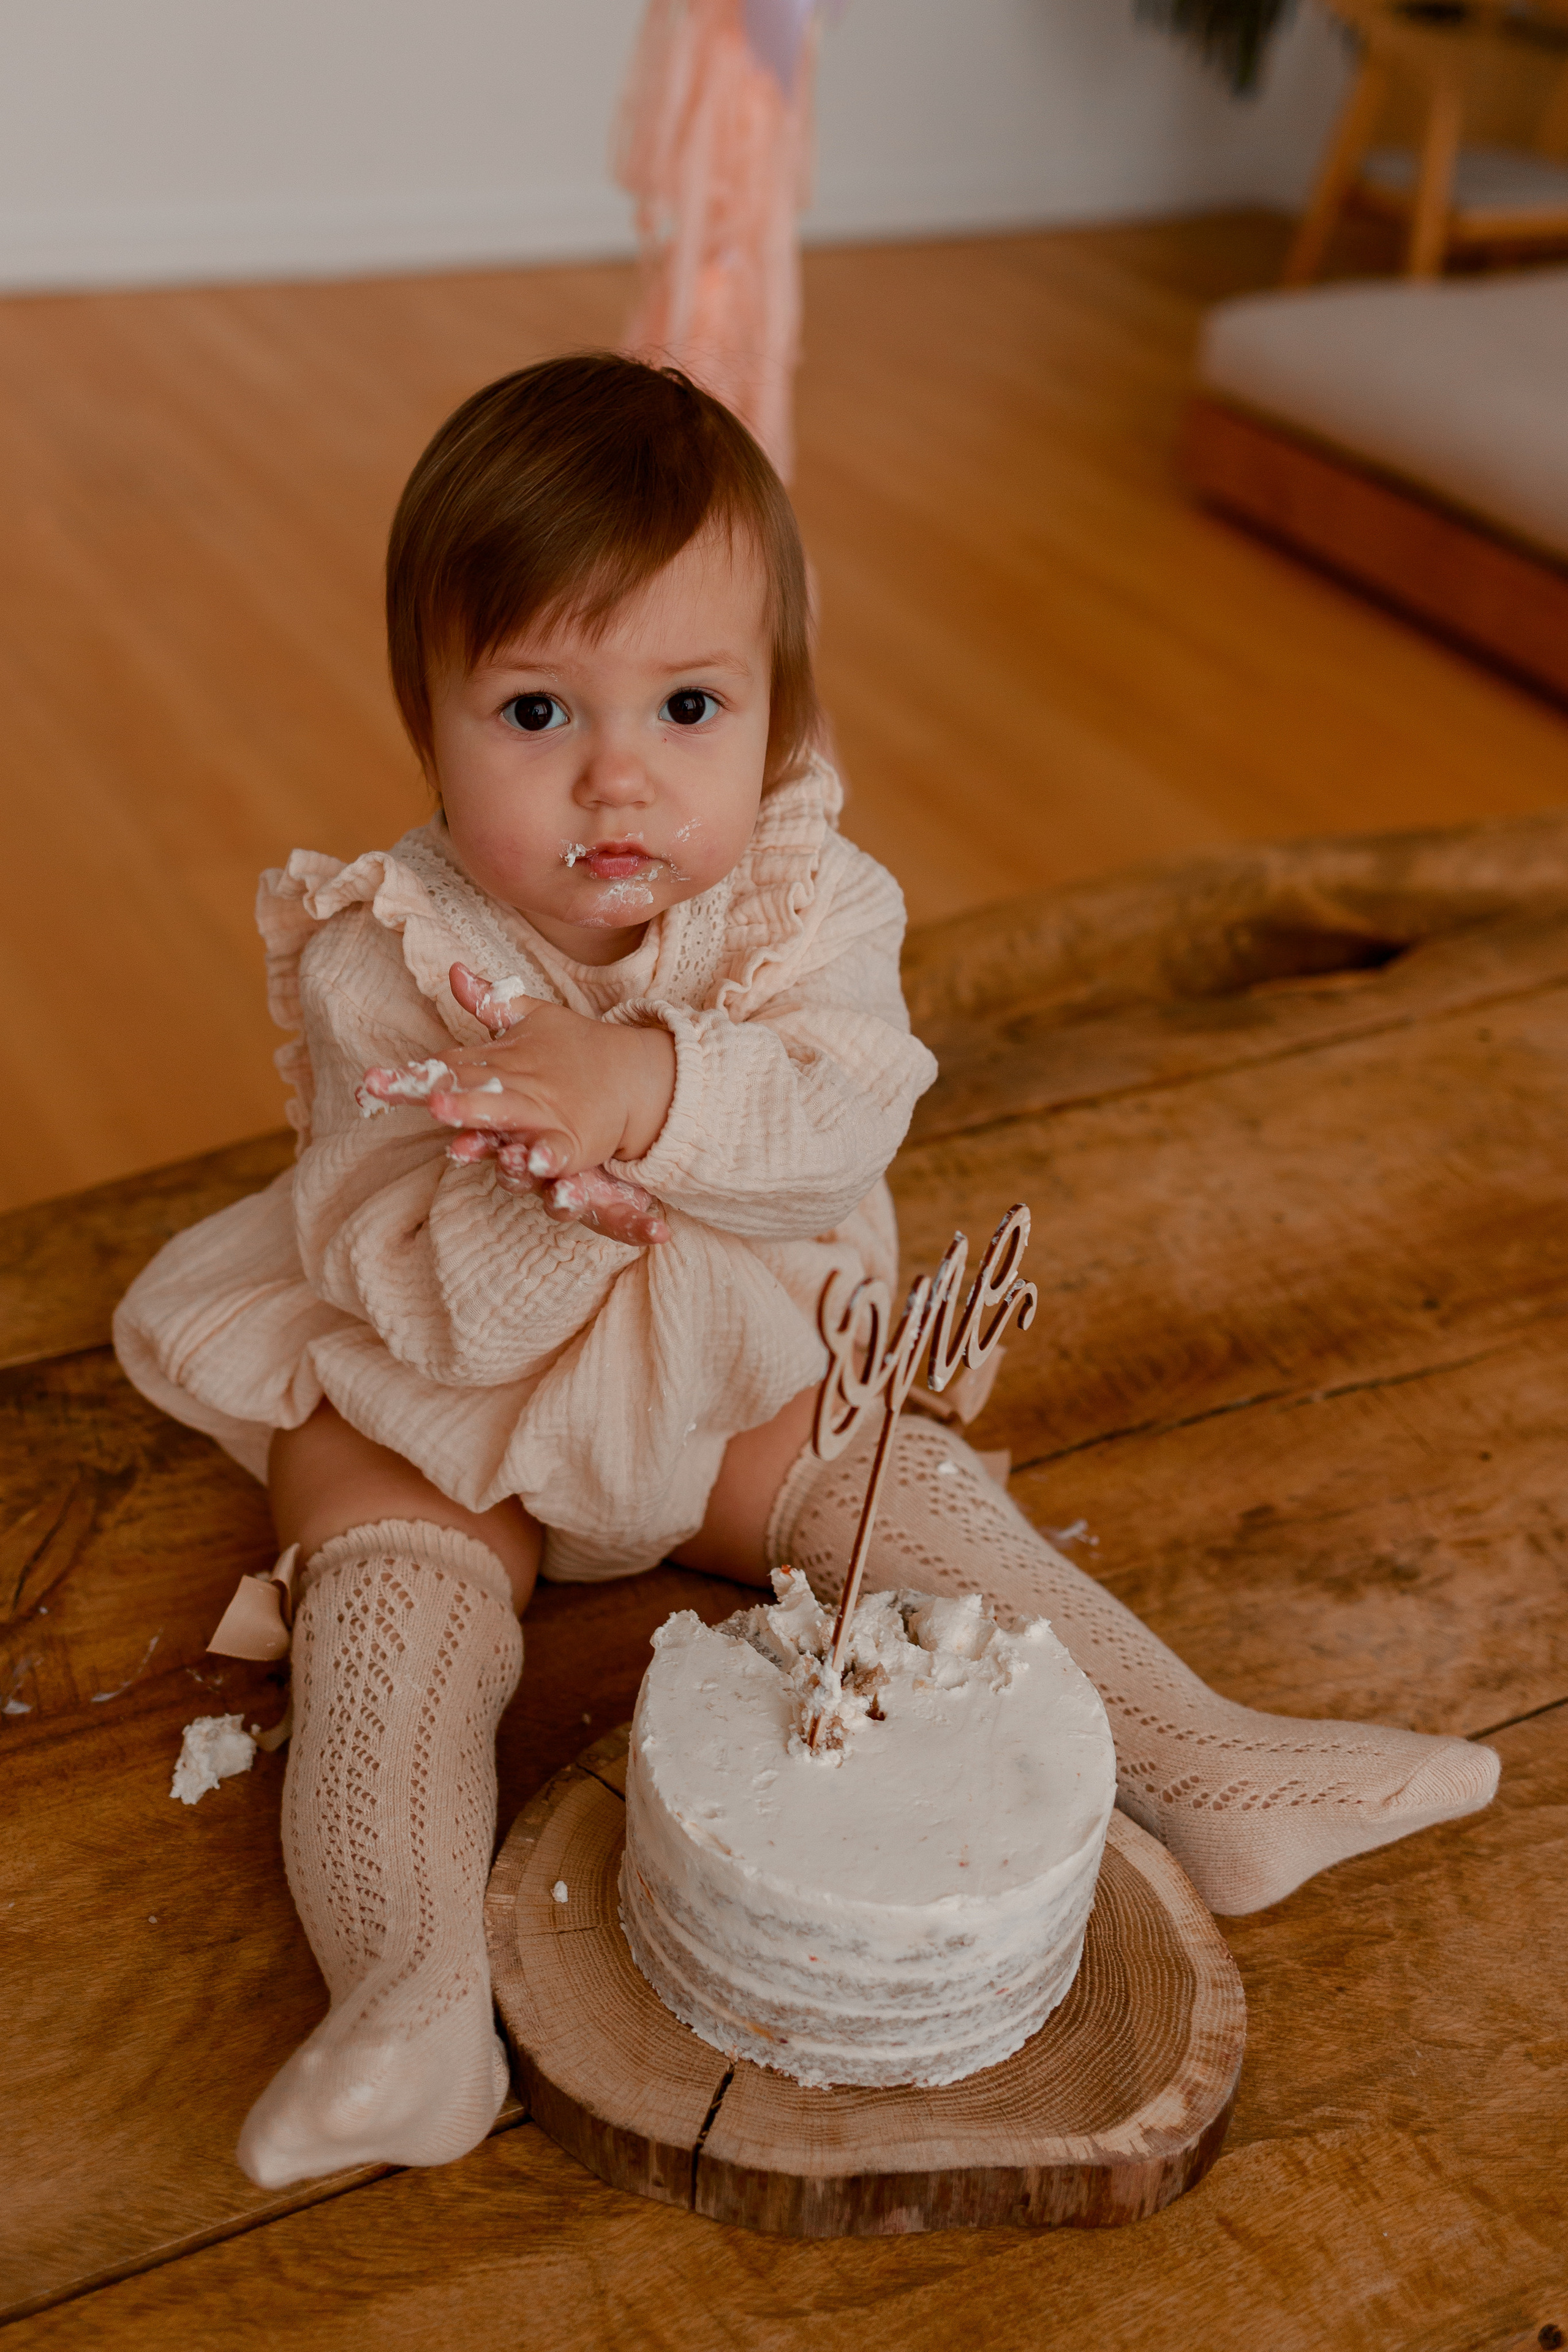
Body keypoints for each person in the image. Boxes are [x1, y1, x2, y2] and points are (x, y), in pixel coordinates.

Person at [115, 353, 1498, 2193]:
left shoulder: (802, 902)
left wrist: (644, 1088)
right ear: (426, 725)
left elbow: (846, 1108)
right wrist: (537, 1193)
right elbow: (404, 1282)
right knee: (380, 1562)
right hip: (445, 1381)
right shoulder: (391, 960)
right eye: (534, 709)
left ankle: (1209, 1769)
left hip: (721, 1369)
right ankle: (412, 1996)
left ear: (773, 710)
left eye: (687, 703)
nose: (618, 773)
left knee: (882, 1482)